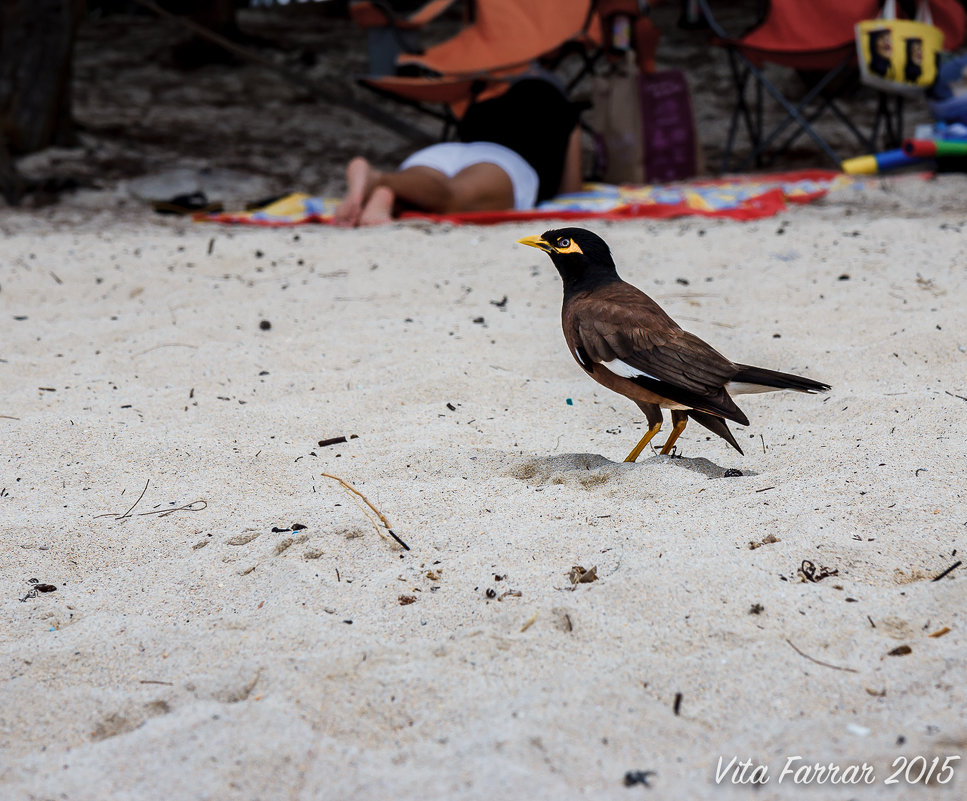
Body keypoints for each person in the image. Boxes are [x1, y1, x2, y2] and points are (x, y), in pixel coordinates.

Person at [334, 76, 583, 226]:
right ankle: (380, 179)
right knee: (454, 199)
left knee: (432, 189)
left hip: (445, 152)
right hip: (504, 162)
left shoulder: (483, 109)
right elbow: (571, 192)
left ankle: (389, 193)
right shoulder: (564, 114)